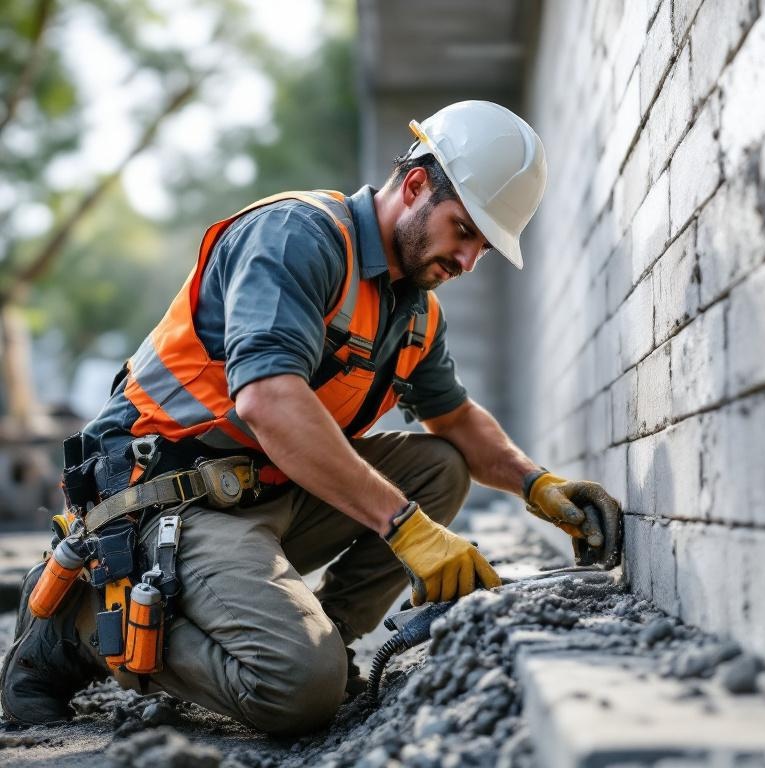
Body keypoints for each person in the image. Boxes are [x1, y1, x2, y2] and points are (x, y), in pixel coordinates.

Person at [0, 101, 622, 735]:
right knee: (300, 690)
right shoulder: (299, 237)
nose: (467, 260)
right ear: (413, 186)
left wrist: (538, 485)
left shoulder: (415, 311)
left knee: (439, 468)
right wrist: (406, 528)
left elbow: (456, 421)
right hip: (165, 500)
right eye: (463, 229)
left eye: (484, 247)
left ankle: (324, 635)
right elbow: (268, 401)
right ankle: (78, 624)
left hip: (265, 493)